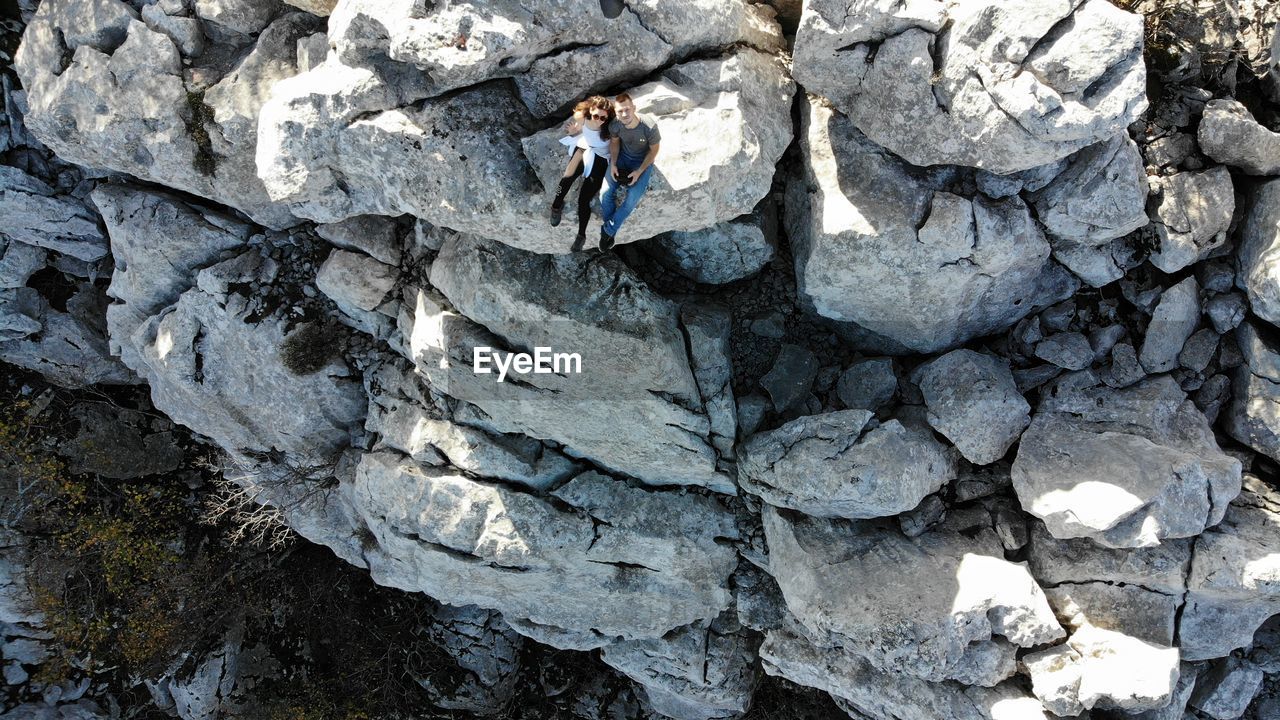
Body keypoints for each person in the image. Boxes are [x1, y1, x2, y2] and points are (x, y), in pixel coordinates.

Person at [548, 96, 614, 252]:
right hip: (585, 148)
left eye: (603, 117)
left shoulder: (611, 127)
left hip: (601, 158)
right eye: (596, 115)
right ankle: (556, 205)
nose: (599, 120)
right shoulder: (583, 116)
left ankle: (581, 235)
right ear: (590, 110)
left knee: (584, 199)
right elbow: (579, 119)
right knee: (566, 178)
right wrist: (576, 130)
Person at [600, 93, 660, 250]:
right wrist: (613, 164)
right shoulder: (615, 125)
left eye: (627, 109)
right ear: (616, 112)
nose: (624, 114)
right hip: (622, 158)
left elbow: (654, 151)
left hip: (642, 162)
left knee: (631, 199)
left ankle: (607, 231)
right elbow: (614, 143)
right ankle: (610, 232)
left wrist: (639, 171)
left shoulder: (649, 126)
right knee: (605, 194)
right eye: (620, 111)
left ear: (634, 108)